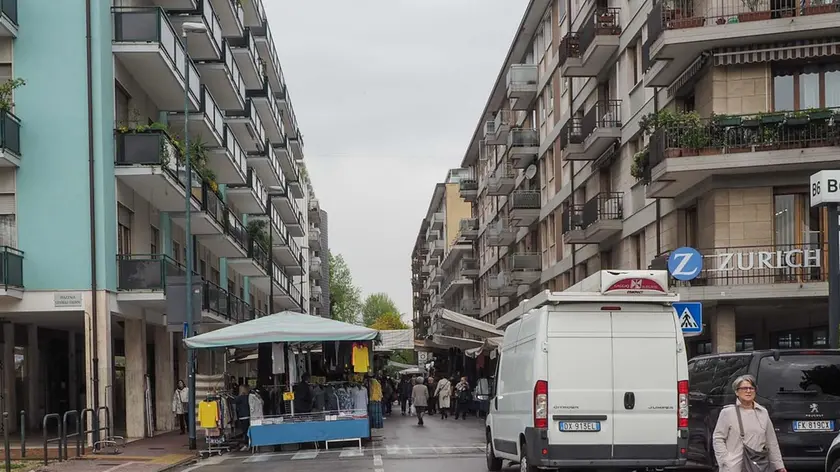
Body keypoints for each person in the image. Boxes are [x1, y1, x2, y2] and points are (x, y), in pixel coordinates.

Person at [713, 375, 786, 472]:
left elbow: (771, 441)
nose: (748, 391)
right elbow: (718, 438)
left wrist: (779, 465)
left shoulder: (763, 412)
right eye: (744, 388)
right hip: (734, 467)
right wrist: (725, 461)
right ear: (736, 392)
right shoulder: (728, 412)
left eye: (751, 388)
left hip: (758, 466)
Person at [234, 385, 251, 450]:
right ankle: (249, 443)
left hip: (243, 416)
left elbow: (234, 400)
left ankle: (246, 444)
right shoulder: (248, 396)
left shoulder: (240, 397)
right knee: (248, 430)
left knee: (245, 431)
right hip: (248, 416)